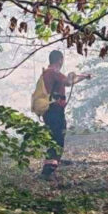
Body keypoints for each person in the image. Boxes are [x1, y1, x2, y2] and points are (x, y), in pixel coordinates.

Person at [40, 50, 90, 179]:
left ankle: (49, 169)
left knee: (54, 138)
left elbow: (68, 83)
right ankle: (48, 172)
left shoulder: (47, 73)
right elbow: (68, 81)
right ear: (60, 60)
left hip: (48, 111)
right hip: (55, 111)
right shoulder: (54, 72)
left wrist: (82, 77)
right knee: (57, 139)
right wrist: (74, 76)